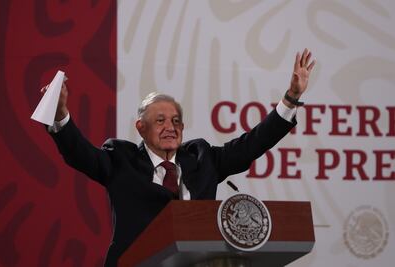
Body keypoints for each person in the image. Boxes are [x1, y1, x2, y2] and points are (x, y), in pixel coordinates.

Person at [43, 48, 315, 266]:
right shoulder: (120, 159)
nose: (170, 127)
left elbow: (252, 144)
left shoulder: (202, 158)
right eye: (159, 120)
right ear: (141, 127)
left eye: (176, 121)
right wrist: (59, 117)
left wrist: (291, 98)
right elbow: (80, 154)